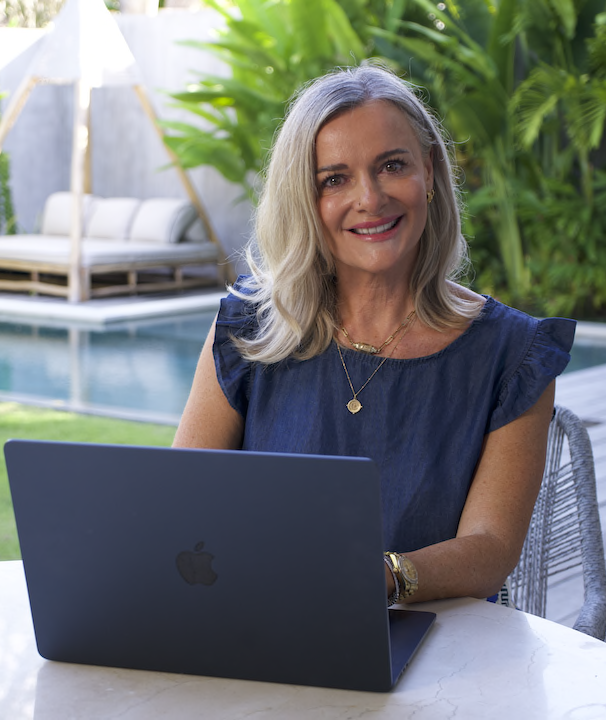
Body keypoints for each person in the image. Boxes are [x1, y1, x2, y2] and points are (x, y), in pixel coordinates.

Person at [173, 62, 575, 606]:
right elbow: (180, 504)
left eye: (391, 165)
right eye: (333, 179)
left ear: (429, 171)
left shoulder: (515, 356)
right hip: (260, 630)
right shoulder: (248, 328)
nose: (370, 198)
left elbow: (490, 549)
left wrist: (380, 577)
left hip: (438, 650)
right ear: (305, 200)